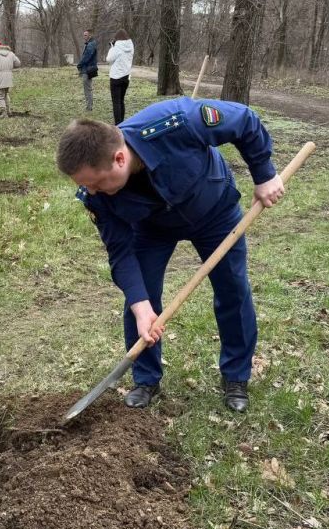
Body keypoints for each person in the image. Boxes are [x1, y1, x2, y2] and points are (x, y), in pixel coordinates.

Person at [55, 98, 285, 412]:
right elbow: (121, 254)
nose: (91, 192)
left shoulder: (177, 121)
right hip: (151, 228)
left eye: (95, 183)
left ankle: (236, 376)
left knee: (233, 289)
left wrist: (265, 174)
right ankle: (146, 379)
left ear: (119, 159)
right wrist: (140, 307)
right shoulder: (95, 197)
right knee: (141, 296)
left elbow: (244, 120)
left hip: (215, 211)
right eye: (86, 186)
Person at [0, 39, 21, 117]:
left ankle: (4, 113)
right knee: (5, 94)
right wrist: (9, 66)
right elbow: (18, 63)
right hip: (9, 77)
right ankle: (8, 111)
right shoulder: (11, 53)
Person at [107, 29, 134, 124]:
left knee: (116, 102)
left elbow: (108, 59)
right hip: (126, 77)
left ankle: (118, 124)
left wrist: (112, 47)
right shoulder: (131, 46)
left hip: (116, 78)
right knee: (121, 100)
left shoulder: (117, 48)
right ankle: (122, 122)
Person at [76, 29, 98, 112]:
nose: (84, 36)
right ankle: (89, 106)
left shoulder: (91, 45)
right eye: (84, 35)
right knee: (88, 88)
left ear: (90, 35)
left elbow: (86, 57)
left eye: (85, 35)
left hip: (88, 70)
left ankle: (89, 107)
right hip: (87, 69)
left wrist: (79, 64)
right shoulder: (90, 44)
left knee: (87, 89)